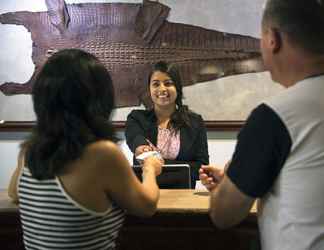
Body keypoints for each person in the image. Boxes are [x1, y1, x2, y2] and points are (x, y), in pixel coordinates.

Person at [7, 49, 163, 250]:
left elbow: (14, 193)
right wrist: (150, 168)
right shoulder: (103, 153)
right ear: (99, 98)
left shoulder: (29, 150)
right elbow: (147, 206)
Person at [199, 0, 324, 250]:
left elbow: (224, 214)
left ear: (272, 39)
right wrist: (242, 174)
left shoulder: (275, 116)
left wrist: (230, 180)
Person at [125, 61, 209, 188]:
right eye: (156, 84)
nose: (162, 89)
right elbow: (136, 139)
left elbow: (202, 167)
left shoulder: (195, 122)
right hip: (144, 193)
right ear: (150, 89)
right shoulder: (137, 118)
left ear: (177, 87)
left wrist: (159, 164)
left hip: (183, 196)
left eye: (168, 83)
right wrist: (141, 149)